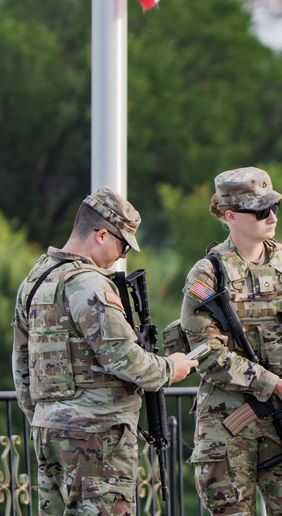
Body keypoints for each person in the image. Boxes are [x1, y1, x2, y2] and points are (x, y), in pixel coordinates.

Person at [11, 187, 197, 514]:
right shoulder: (89, 284)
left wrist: (43, 416)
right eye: (122, 245)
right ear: (101, 235)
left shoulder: (36, 279)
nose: (122, 255)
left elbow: (22, 362)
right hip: (96, 436)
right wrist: (171, 368)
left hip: (49, 431)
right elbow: (121, 356)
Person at [180, 167, 282, 515]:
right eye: (259, 211)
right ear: (230, 216)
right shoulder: (208, 274)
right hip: (227, 423)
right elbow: (205, 352)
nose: (271, 217)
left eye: (274, 208)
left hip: (281, 421)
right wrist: (274, 384)